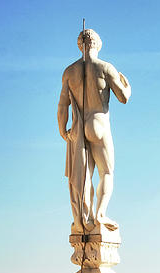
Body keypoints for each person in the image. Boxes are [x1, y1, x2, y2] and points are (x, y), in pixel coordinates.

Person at [57, 29, 131, 232]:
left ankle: (85, 218)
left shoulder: (69, 71)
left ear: (80, 45)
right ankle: (100, 214)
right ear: (98, 44)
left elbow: (62, 106)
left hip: (79, 128)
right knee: (106, 172)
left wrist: (63, 130)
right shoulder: (105, 67)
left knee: (83, 176)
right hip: (99, 123)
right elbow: (123, 97)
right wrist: (127, 85)